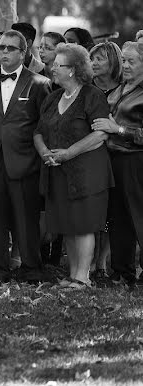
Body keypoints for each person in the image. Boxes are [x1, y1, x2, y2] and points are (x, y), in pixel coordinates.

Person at [0, 29, 51, 284]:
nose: (4, 52)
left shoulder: (39, 83)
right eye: (2, 48)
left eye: (10, 48)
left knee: (26, 219)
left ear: (23, 52)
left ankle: (32, 269)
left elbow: (44, 125)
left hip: (24, 162)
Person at [35, 44, 112, 289]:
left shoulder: (92, 95)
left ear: (73, 70)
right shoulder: (52, 97)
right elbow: (38, 132)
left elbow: (101, 134)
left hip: (88, 172)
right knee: (67, 224)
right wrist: (45, 152)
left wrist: (69, 153)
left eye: (58, 65)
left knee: (84, 224)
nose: (53, 68)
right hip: (57, 171)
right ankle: (72, 275)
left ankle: (83, 277)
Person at [91, 41, 143, 290]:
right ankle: (122, 272)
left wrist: (118, 129)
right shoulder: (121, 87)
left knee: (138, 217)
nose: (126, 65)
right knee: (118, 217)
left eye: (132, 61)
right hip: (114, 160)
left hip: (135, 161)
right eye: (124, 60)